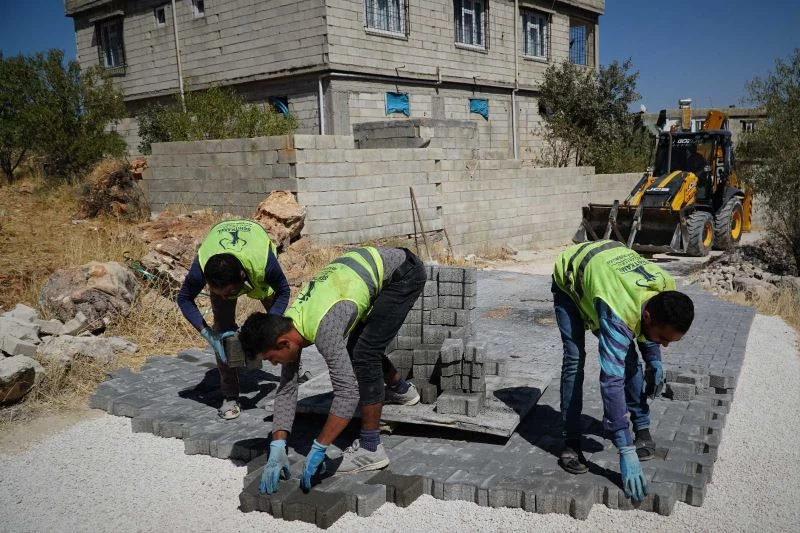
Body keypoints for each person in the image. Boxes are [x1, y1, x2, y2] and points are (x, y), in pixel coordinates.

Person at [239, 246, 426, 494]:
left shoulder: (323, 330)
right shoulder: (289, 324)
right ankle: (402, 391)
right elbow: (286, 389)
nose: (274, 365)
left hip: (404, 273)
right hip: (361, 277)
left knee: (364, 354)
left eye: (272, 359)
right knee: (358, 349)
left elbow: (347, 394)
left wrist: (319, 446)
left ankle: (371, 448)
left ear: (284, 343)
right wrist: (277, 446)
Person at [551, 240, 694, 502]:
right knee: (575, 360)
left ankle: (642, 429)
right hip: (570, 279)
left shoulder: (665, 286)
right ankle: (571, 443)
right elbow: (611, 381)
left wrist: (654, 359)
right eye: (663, 337)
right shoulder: (618, 312)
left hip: (607, 268)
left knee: (632, 359)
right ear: (648, 318)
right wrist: (624, 448)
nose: (664, 344)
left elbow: (647, 339)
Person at [177, 219, 290, 420]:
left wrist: (269, 324)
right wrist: (209, 335)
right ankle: (230, 396)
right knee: (222, 333)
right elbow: (184, 298)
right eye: (217, 293)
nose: (224, 298)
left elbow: (284, 291)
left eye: (230, 292)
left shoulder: (264, 262)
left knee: (280, 328)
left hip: (255, 260)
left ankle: (292, 376)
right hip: (223, 252)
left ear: (241, 275)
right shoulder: (203, 266)